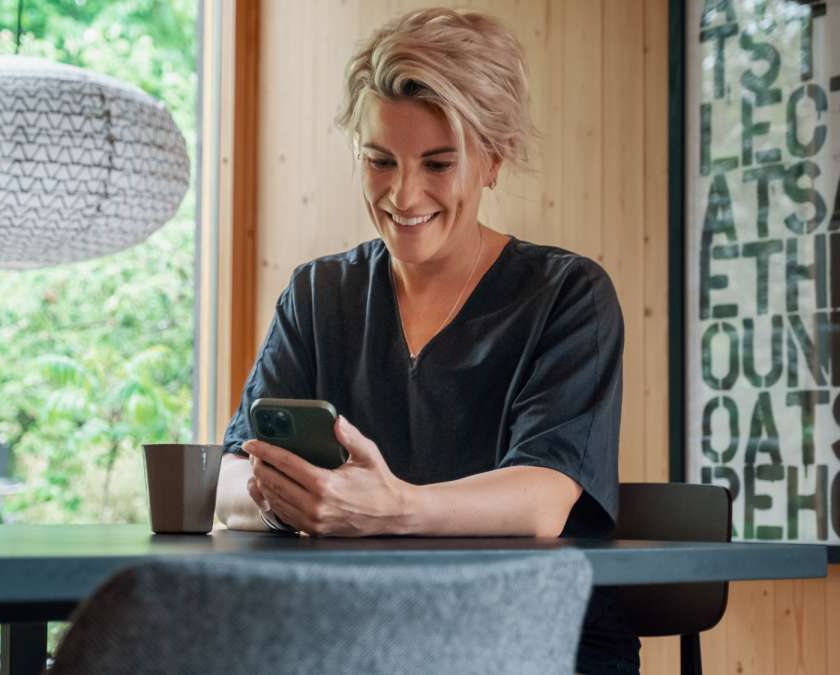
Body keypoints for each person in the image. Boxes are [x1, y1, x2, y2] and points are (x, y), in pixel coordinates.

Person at [212, 7, 640, 674]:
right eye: (379, 160)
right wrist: (283, 498)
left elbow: (540, 501)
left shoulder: (568, 296)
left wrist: (392, 508)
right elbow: (230, 476)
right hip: (358, 636)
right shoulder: (318, 295)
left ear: (492, 160)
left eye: (438, 164)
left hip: (535, 639)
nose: (402, 193)